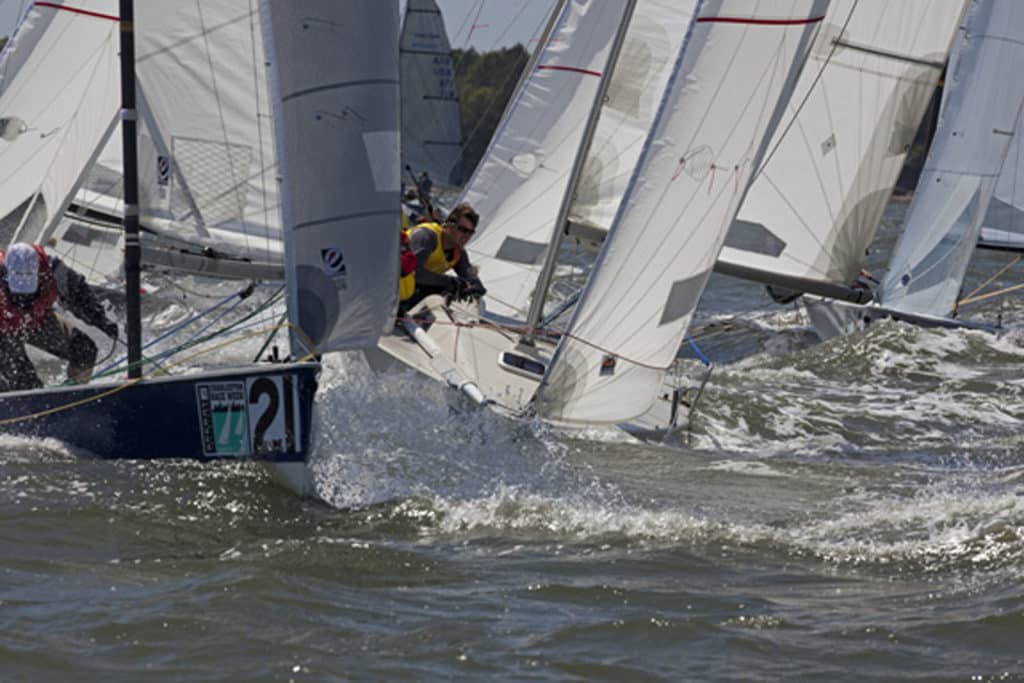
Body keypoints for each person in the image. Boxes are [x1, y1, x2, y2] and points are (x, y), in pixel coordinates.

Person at [0, 242, 118, 392]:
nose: (24, 299)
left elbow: (79, 294)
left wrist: (101, 319)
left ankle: (74, 394)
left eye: (29, 291)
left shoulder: (53, 270)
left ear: (39, 273)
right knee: (23, 381)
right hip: (2, 330)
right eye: (18, 292)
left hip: (37, 320)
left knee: (84, 349)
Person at [402, 202, 486, 310]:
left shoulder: (458, 252)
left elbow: (468, 274)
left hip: (411, 291)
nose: (466, 236)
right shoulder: (426, 236)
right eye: (462, 230)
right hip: (393, 287)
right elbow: (414, 273)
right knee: (445, 286)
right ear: (449, 225)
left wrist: (477, 286)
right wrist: (450, 281)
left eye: (470, 232)